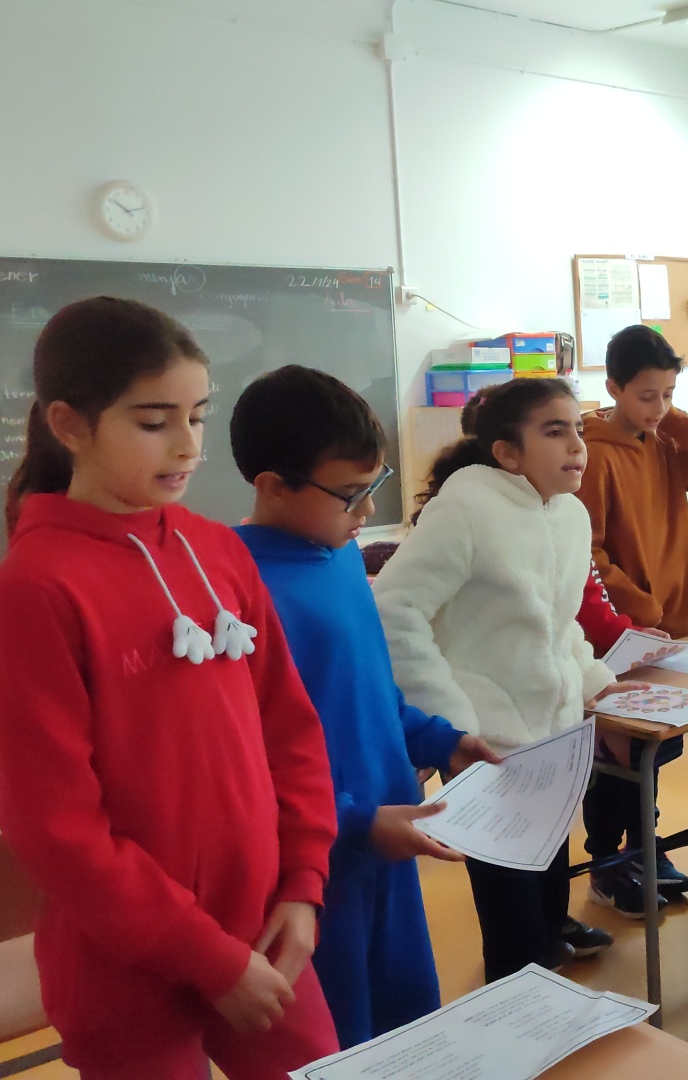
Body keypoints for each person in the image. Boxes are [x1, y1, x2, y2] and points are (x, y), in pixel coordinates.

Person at [0, 298, 339, 1078]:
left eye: (198, 417)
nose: (188, 446)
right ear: (69, 425)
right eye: (153, 422)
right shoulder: (34, 591)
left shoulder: (219, 552)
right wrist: (208, 958)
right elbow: (55, 829)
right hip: (125, 966)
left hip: (264, 932)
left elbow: (290, 730)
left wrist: (304, 884)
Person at [229, 367, 511, 1046]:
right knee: (340, 1041)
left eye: (373, 486)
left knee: (409, 1025)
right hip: (314, 865)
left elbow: (370, 691)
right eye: (350, 494)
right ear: (273, 485)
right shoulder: (235, 588)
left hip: (389, 842)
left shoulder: (339, 557)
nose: (366, 511)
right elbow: (246, 757)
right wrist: (354, 821)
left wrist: (439, 739)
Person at [374, 378, 642, 981]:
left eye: (578, 429)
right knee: (513, 927)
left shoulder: (569, 514)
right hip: (485, 747)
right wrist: (451, 723)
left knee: (547, 906)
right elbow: (394, 612)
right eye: (555, 431)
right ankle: (516, 1015)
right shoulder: (466, 508)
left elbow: (558, 622)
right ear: (507, 452)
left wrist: (593, 680)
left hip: (552, 744)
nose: (577, 445)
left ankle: (543, 995)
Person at [577, 325, 688, 916]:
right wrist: (638, 606)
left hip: (670, 630)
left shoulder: (663, 441)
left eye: (669, 394)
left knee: (658, 747)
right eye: (647, 395)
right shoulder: (594, 453)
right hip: (622, 632)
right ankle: (606, 862)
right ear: (613, 388)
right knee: (617, 754)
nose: (660, 406)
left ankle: (645, 846)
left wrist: (674, 418)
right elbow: (587, 552)